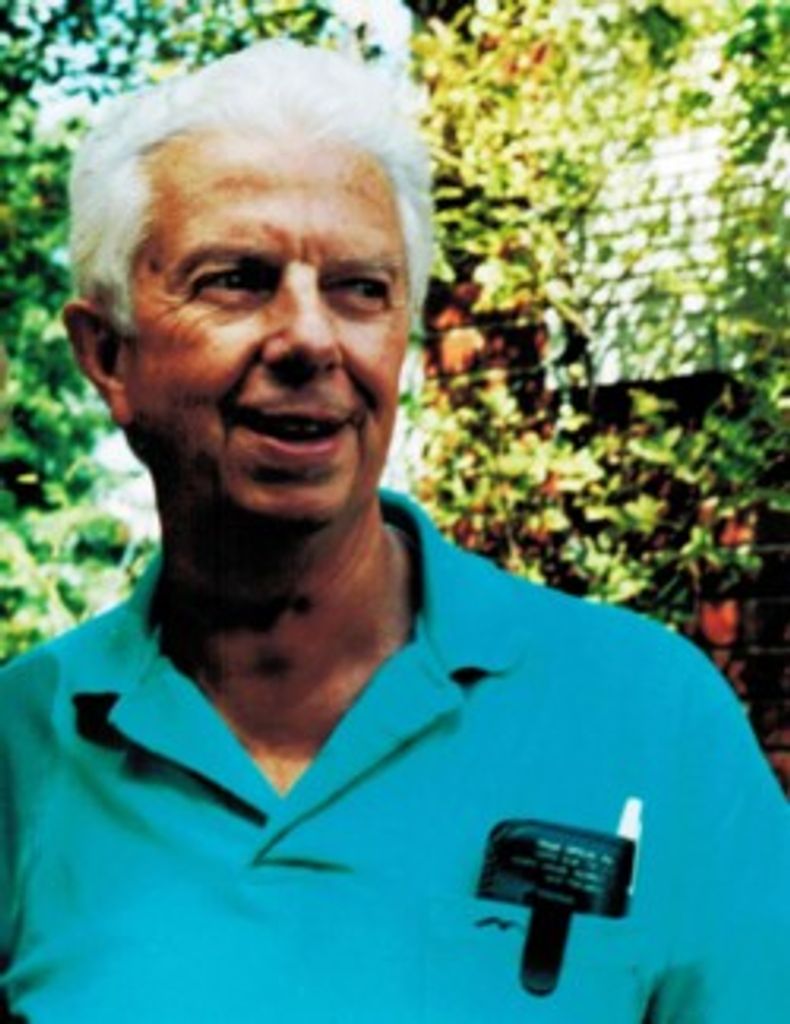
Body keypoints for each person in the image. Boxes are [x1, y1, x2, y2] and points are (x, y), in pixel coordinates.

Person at [0, 39, 786, 1024]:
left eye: (361, 289)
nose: (309, 337)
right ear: (107, 356)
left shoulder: (652, 718)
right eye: (236, 279)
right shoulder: (22, 752)